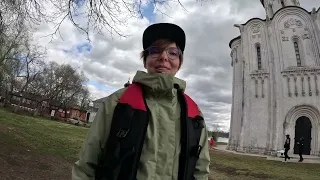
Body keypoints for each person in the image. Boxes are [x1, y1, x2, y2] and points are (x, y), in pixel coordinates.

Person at [72, 23, 211, 180]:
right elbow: (86, 165)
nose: (164, 57)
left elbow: (201, 171)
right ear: (145, 61)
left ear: (179, 62)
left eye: (172, 52)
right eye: (155, 51)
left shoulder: (194, 113)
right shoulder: (116, 103)